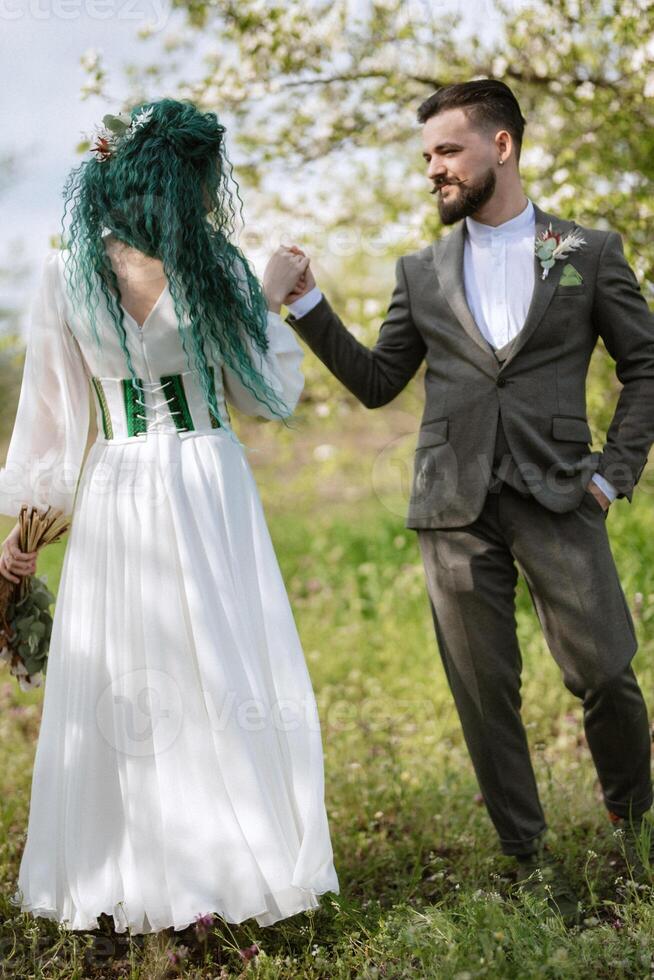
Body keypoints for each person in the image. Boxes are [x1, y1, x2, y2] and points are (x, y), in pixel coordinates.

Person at [267, 79, 654, 926]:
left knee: (607, 674)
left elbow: (646, 367)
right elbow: (377, 383)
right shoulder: (421, 272)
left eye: (448, 151)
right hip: (451, 506)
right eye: (427, 157)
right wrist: (307, 306)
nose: (434, 170)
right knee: (485, 693)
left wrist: (611, 473)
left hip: (561, 494)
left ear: (501, 147)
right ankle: (527, 858)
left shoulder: (587, 251)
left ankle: (635, 824)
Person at [0, 98, 339, 934]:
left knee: (180, 672)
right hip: (173, 479)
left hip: (158, 484)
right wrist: (267, 294)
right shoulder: (170, 266)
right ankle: (180, 875)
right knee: (171, 669)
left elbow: (54, 416)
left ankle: (191, 871)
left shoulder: (130, 267)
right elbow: (261, 397)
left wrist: (25, 526)